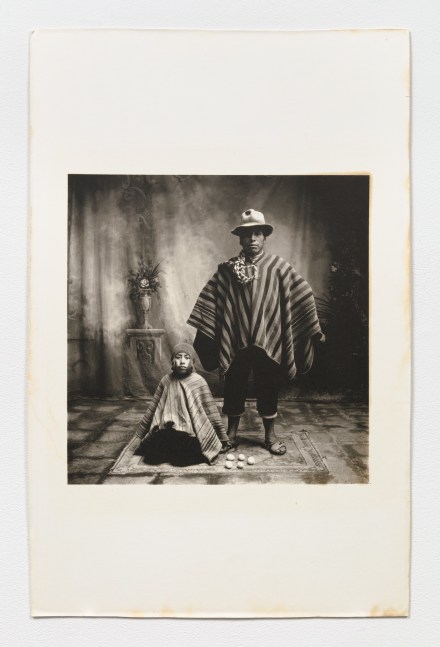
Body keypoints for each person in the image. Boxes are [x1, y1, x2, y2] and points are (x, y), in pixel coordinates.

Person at [187, 208, 324, 456]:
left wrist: (312, 327)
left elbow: (302, 292)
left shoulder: (278, 267)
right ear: (240, 238)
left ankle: (270, 436)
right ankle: (231, 434)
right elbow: (210, 300)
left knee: (267, 384)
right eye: (247, 235)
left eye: (257, 234)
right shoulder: (228, 270)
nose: (252, 239)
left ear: (264, 238)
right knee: (234, 384)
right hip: (236, 339)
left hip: (267, 341)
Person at [131, 342, 229, 466]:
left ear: (192, 362)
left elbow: (210, 410)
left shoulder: (198, 381)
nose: (182, 361)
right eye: (178, 357)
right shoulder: (166, 380)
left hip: (190, 433)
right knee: (151, 458)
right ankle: (169, 451)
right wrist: (143, 432)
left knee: (183, 459)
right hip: (168, 430)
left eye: (186, 358)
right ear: (172, 361)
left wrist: (221, 436)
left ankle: (176, 453)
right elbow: (154, 408)